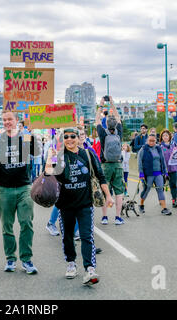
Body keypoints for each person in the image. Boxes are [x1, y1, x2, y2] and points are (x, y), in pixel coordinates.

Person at [45, 127, 113, 285]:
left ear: (78, 138)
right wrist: (50, 158)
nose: (69, 139)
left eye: (72, 136)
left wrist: (108, 195)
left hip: (85, 204)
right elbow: (47, 174)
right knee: (67, 237)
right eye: (66, 137)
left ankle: (90, 269)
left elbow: (100, 176)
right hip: (65, 205)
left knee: (86, 236)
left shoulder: (88, 154)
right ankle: (71, 263)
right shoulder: (59, 156)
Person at [0, 111, 41, 274]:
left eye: (10, 119)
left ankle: (26, 259)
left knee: (27, 223)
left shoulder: (25, 137)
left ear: (17, 121)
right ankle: (10, 258)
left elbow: (36, 152)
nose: (7, 122)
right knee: (7, 226)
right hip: (5, 190)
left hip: (24, 187)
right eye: (4, 120)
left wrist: (33, 134)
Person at [95, 96, 125, 225]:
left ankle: (105, 217)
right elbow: (118, 117)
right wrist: (112, 103)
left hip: (105, 165)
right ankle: (118, 217)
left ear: (106, 124)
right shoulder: (119, 133)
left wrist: (101, 105)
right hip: (118, 164)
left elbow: (97, 119)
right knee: (119, 192)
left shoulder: (103, 133)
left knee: (105, 190)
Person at [137, 134, 171, 215]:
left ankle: (164, 208)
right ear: (147, 141)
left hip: (158, 173)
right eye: (150, 141)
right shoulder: (143, 149)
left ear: (156, 141)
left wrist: (165, 172)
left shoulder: (158, 149)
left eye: (153, 141)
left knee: (160, 190)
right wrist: (141, 173)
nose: (152, 142)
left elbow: (162, 161)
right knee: (147, 189)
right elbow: (139, 162)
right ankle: (141, 204)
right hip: (148, 174)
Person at [160, 130, 177, 208]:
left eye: (166, 135)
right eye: (163, 136)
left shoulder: (174, 145)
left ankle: (174, 201)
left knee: (173, 185)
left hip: (173, 168)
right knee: (161, 185)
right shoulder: (160, 147)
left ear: (169, 137)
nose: (165, 137)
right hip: (163, 169)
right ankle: (161, 200)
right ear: (161, 137)